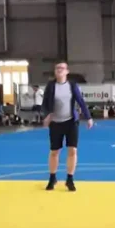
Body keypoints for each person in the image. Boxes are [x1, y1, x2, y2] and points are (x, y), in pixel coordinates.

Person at [41, 61, 93, 191]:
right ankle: (52, 177)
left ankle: (70, 179)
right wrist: (46, 115)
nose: (59, 70)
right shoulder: (51, 86)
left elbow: (80, 101)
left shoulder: (72, 85)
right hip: (55, 123)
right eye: (57, 68)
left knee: (72, 150)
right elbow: (44, 104)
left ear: (67, 71)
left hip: (71, 122)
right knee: (54, 152)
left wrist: (88, 117)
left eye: (62, 68)